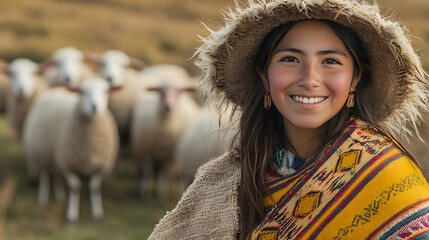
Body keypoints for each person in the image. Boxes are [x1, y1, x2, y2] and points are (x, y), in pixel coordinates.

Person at [149, 0, 429, 239]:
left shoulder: (391, 181)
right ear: (264, 75)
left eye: (330, 61)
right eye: (290, 59)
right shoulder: (223, 184)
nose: (310, 80)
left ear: (355, 78)